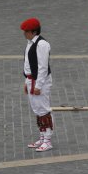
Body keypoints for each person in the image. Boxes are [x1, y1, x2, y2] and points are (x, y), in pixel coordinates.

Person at [21, 18, 54, 152]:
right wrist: (26, 82)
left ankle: (48, 140)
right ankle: (42, 136)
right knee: (37, 110)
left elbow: (43, 67)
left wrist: (38, 85)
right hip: (31, 80)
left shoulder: (42, 44)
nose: (24, 34)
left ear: (34, 32)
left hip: (40, 81)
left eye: (26, 31)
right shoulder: (30, 43)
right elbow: (28, 64)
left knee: (44, 110)